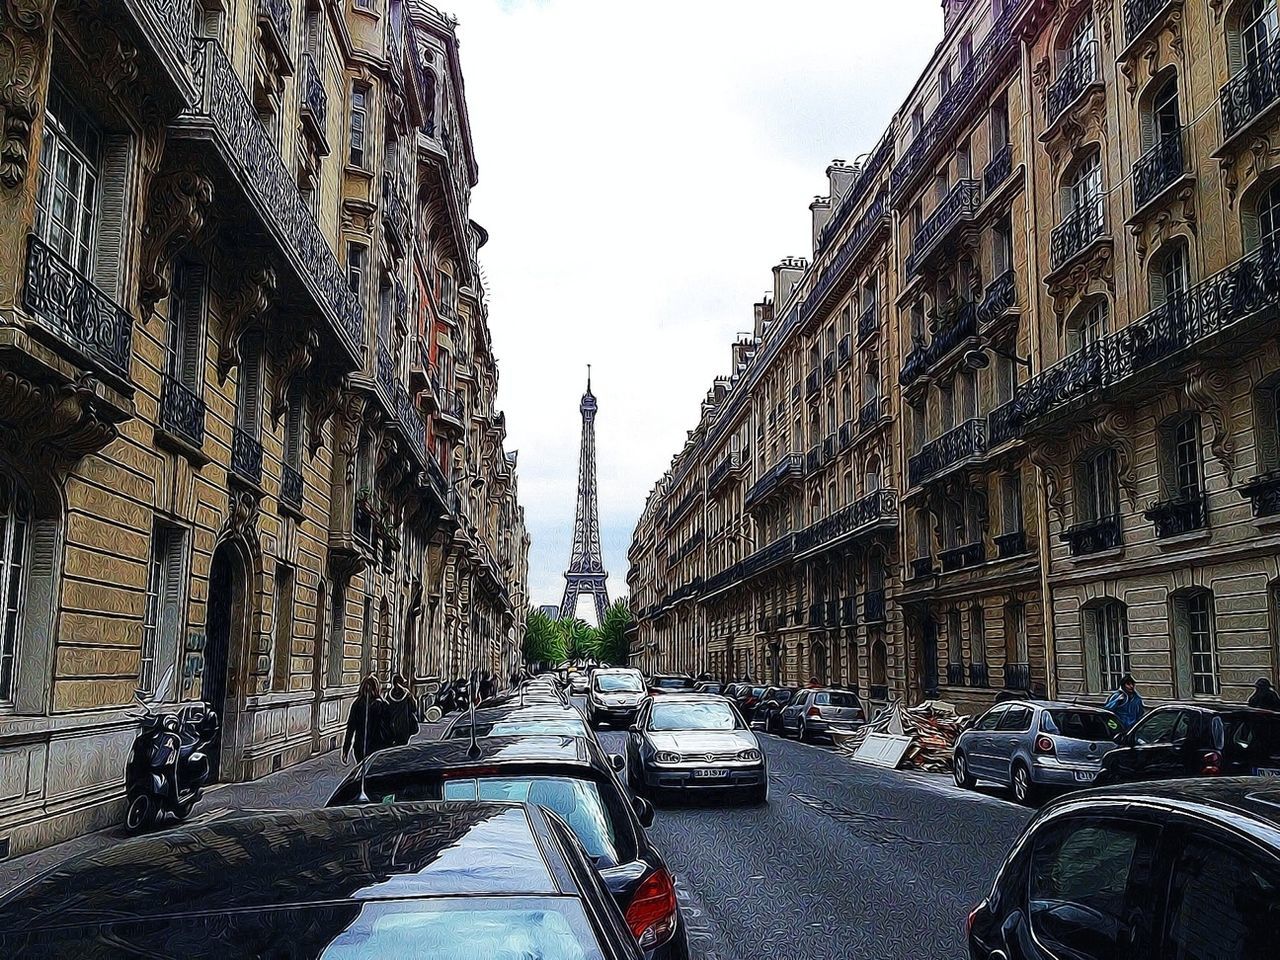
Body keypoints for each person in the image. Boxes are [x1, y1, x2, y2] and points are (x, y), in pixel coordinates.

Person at [343, 675, 385, 763]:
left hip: (374, 747)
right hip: (364, 747)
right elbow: (351, 728)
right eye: (366, 688)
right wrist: (346, 749)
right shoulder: (358, 705)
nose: (368, 691)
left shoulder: (380, 705)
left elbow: (386, 728)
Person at [384, 674, 419, 746]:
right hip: (405, 725)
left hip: (393, 726)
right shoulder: (407, 694)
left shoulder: (389, 695)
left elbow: (386, 710)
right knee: (403, 746)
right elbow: (414, 708)